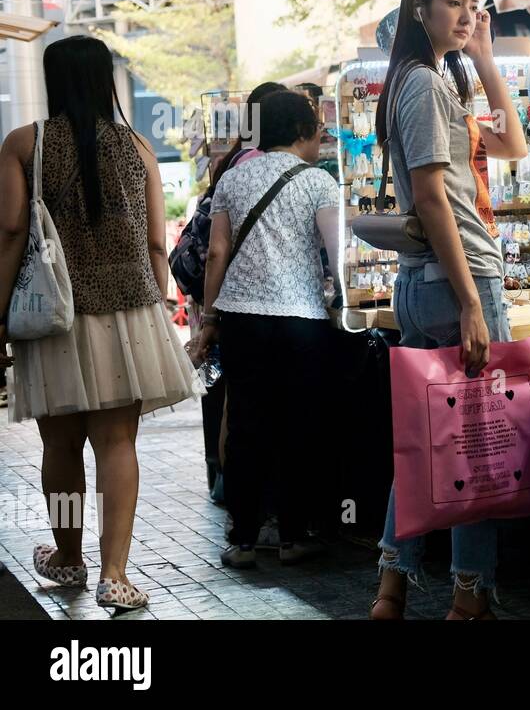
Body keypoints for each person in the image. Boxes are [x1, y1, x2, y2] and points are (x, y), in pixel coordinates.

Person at [0, 35, 199, 612]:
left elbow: (12, 234)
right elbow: (158, 243)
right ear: (105, 78)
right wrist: (155, 308)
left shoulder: (23, 144)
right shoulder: (137, 147)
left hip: (55, 316)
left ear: (52, 79)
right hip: (130, 313)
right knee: (118, 444)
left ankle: (67, 557)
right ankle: (116, 573)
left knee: (59, 445)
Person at [369, 0, 526, 621]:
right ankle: (469, 594)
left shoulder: (425, 81)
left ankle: (392, 585)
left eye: (472, 4)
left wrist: (486, 54)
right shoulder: (425, 87)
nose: (465, 15)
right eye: (452, 3)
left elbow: (513, 143)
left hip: (420, 283)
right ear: (418, 7)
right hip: (459, 279)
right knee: (479, 442)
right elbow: (433, 197)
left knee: (429, 440)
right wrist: (470, 303)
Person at [189, 90, 341, 570]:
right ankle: (295, 535)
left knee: (248, 428)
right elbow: (336, 252)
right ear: (300, 133)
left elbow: (216, 253)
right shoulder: (318, 182)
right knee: (301, 425)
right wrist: (341, 296)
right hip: (301, 321)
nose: (322, 136)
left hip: (242, 321)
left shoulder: (233, 177)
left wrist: (210, 319)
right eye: (317, 128)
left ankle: (243, 540)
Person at [190, 81, 286, 501]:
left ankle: (234, 493)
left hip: (226, 300)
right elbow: (219, 249)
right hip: (243, 302)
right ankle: (243, 499)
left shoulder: (235, 159)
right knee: (246, 405)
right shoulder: (256, 164)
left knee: (236, 401)